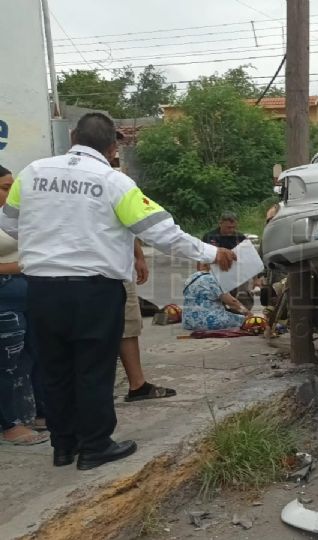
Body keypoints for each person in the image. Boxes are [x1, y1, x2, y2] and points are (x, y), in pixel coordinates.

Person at [0, 113, 236, 470]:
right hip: (95, 292)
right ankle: (95, 446)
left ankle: (64, 447)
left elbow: (10, 224)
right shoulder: (114, 183)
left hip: (42, 290)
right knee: (93, 369)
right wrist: (211, 252)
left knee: (55, 369)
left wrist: (52, 240)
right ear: (113, 148)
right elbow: (162, 233)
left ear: (73, 137)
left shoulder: (32, 173)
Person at [0, 165, 46, 446]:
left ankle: (36, 412)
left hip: (29, 297)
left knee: (33, 358)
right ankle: (10, 424)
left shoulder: (16, 216)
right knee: (8, 363)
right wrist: (23, 266)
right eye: (5, 187)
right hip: (5, 303)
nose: (11, 192)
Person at [120, 240, 176, 402]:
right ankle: (137, 384)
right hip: (112, 271)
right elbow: (132, 222)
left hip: (55, 274)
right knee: (127, 324)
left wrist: (139, 256)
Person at [182, 263, 252, 331]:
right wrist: (248, 313)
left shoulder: (190, 278)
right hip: (207, 321)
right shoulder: (213, 279)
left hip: (188, 322)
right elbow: (232, 302)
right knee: (244, 320)